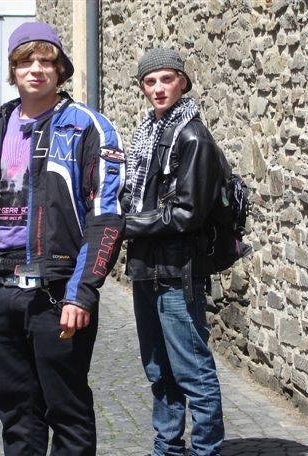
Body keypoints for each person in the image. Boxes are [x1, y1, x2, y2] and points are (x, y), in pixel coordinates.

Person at [0, 22, 125, 456]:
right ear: (13, 70)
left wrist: (81, 292)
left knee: (67, 411)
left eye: (46, 61)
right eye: (25, 61)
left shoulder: (87, 127)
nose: (36, 69)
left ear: (60, 69)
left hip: (56, 293)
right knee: (17, 412)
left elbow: (107, 217)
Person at [122, 48, 225, 456]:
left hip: (178, 272)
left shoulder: (192, 136)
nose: (159, 88)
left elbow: (187, 212)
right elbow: (138, 194)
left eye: (167, 79)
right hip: (145, 269)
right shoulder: (147, 134)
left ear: (183, 82)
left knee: (193, 371)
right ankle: (166, 448)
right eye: (150, 81)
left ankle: (205, 451)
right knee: (158, 371)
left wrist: (126, 225)